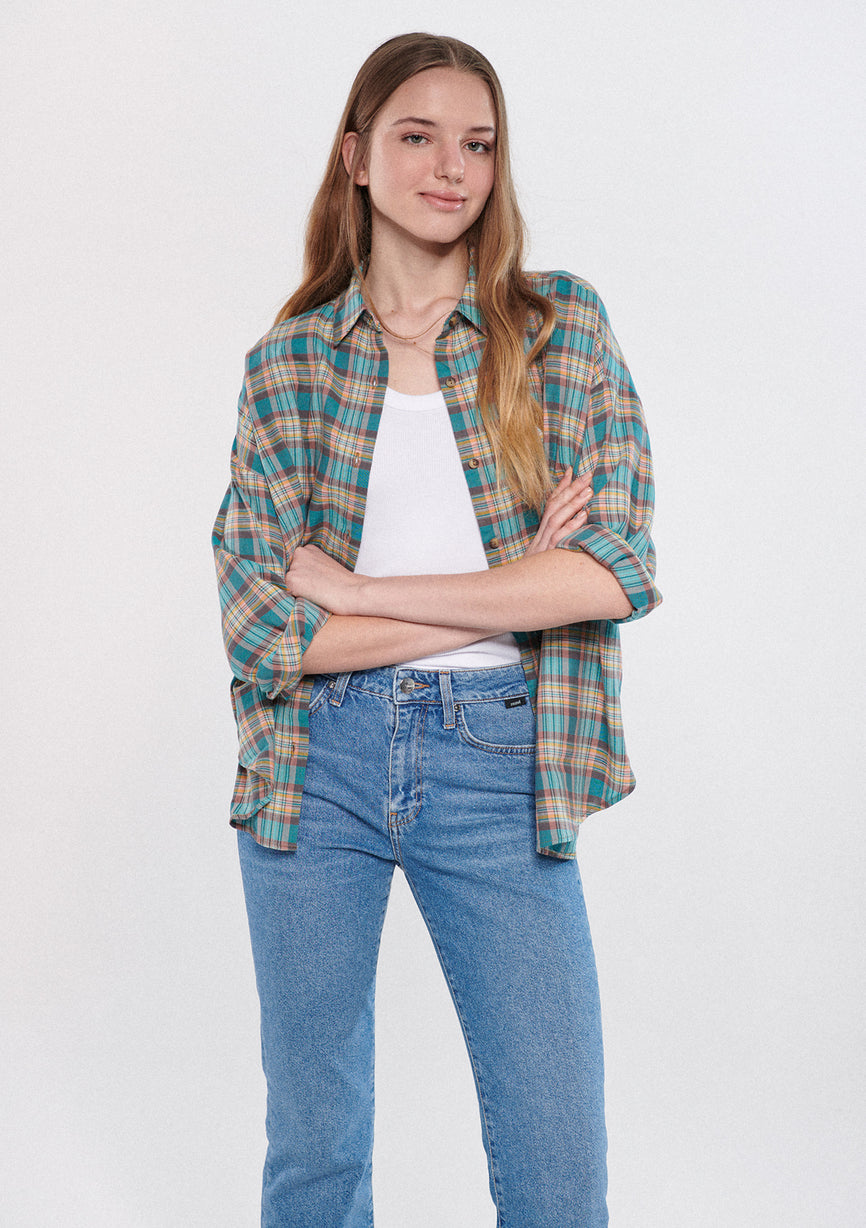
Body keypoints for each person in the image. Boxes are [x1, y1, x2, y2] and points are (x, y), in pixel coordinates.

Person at [212, 31, 660, 1228]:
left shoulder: (557, 330)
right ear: (356, 157)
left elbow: (610, 572)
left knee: (557, 1164)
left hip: (498, 760)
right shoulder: (290, 366)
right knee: (314, 1153)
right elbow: (267, 634)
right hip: (315, 762)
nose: (451, 167)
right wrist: (513, 582)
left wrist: (359, 593)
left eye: (477, 143)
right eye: (417, 136)